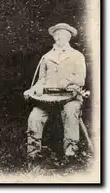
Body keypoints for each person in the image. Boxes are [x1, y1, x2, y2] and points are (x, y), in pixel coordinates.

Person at [23, 23, 87, 159]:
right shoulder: (46, 57)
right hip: (48, 98)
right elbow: (41, 80)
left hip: (70, 97)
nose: (59, 37)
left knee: (70, 113)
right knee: (34, 117)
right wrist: (32, 90)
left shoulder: (77, 56)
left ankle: (70, 155)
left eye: (62, 35)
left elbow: (81, 80)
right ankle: (33, 155)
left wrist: (68, 82)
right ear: (53, 37)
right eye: (56, 35)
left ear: (68, 37)